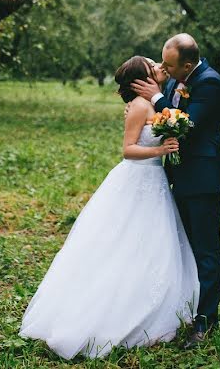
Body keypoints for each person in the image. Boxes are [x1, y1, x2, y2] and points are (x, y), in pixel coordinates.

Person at [19, 55, 199, 360]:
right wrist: (161, 148)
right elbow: (128, 150)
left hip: (153, 181)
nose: (158, 66)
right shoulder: (141, 107)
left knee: (150, 245)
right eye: (152, 64)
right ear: (142, 79)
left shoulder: (151, 103)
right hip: (139, 179)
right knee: (126, 243)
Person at [130, 33, 220, 348]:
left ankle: (206, 322)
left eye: (169, 65)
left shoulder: (210, 82)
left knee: (206, 250)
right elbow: (159, 119)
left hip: (203, 178)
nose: (163, 68)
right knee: (182, 247)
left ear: (187, 65)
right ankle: (182, 308)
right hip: (174, 176)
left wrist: (157, 98)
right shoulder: (174, 79)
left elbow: (186, 124)